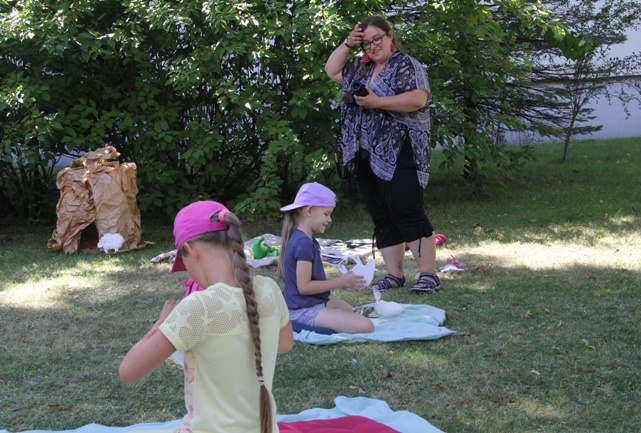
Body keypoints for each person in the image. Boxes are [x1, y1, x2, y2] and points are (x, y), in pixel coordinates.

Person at [119, 200, 294, 433]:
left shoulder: (198, 307)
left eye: (185, 263)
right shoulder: (269, 289)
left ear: (191, 251)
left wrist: (162, 324)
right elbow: (285, 344)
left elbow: (128, 371)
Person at [324, 15, 441, 293]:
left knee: (406, 209)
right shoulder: (359, 68)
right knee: (381, 213)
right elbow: (331, 70)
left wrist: (378, 102)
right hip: (364, 150)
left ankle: (428, 274)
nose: (373, 47)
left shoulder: (406, 64)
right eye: (366, 43)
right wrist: (347, 43)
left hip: (401, 148)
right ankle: (394, 275)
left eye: (377, 39)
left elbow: (418, 99)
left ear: (390, 36)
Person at [277, 182, 374, 334]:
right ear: (309, 211)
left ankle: (324, 319)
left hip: (310, 302)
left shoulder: (306, 240)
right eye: (326, 214)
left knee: (348, 309)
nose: (330, 220)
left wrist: (349, 280)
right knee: (366, 326)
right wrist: (341, 282)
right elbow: (304, 287)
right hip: (302, 309)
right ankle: (295, 322)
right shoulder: (303, 244)